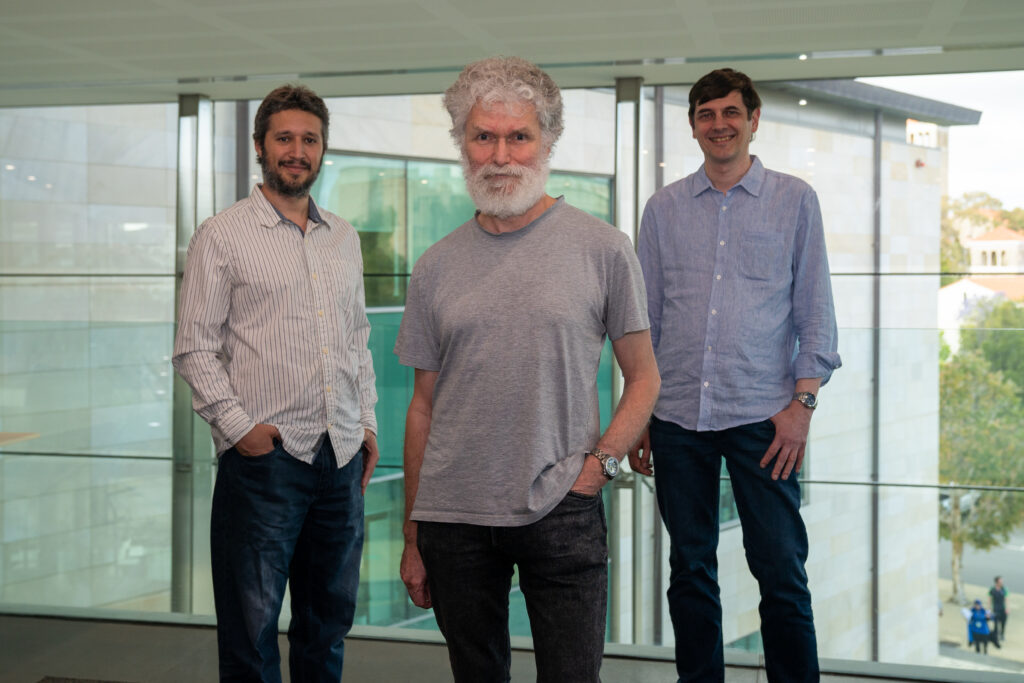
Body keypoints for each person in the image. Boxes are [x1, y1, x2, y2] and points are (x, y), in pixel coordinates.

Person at [395, 56, 660, 682]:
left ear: (547, 142)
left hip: (562, 507)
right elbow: (423, 407)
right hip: (453, 519)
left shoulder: (602, 248)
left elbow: (644, 377)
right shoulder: (435, 265)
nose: (500, 154)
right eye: (483, 136)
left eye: (519, 136)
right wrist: (413, 535)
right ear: (463, 143)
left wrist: (599, 468)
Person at [633, 68, 841, 682]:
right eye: (706, 114)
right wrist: (639, 413)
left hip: (765, 420)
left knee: (780, 571)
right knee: (690, 570)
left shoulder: (795, 199)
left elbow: (816, 313)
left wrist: (802, 407)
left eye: (730, 112)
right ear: (693, 126)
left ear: (753, 120)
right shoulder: (663, 208)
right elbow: (644, 321)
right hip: (675, 420)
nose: (718, 124)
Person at [172, 84, 379, 682]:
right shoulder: (222, 234)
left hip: (340, 459)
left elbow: (355, 338)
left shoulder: (343, 237)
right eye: (284, 138)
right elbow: (194, 349)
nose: (297, 150)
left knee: (328, 625)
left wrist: (366, 422)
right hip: (265, 462)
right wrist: (242, 432)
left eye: (309, 139)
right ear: (261, 146)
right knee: (251, 631)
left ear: (322, 151)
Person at [990, 575, 1009, 641]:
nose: (1002, 582)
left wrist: (1007, 608)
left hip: (1003, 609)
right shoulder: (992, 590)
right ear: (997, 582)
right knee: (996, 624)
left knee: (1003, 624)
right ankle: (995, 636)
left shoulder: (1004, 589)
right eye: (1000, 581)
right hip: (995, 609)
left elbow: (1006, 599)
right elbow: (989, 599)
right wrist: (989, 609)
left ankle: (1002, 635)